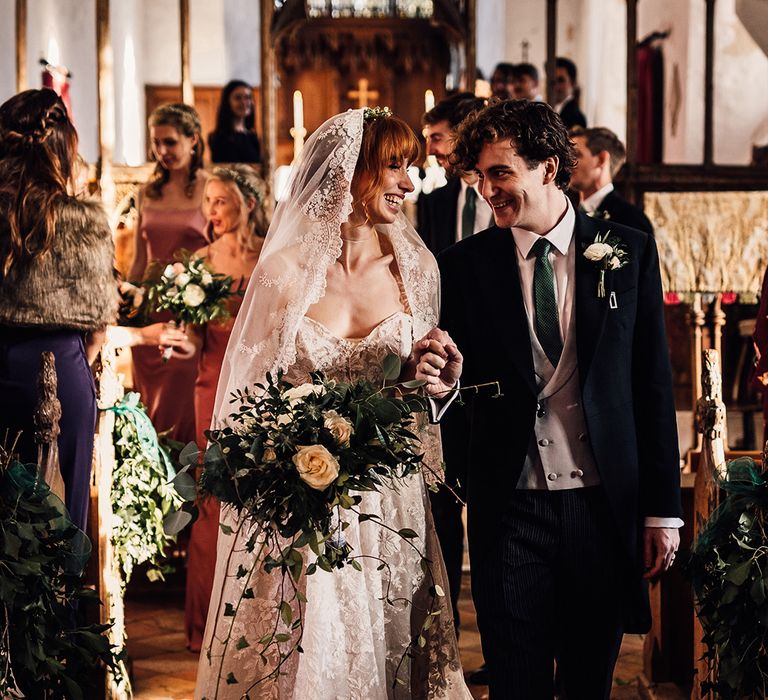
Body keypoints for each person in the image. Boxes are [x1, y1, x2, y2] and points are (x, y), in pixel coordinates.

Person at [195, 108, 469, 699]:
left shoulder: (416, 269)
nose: (407, 182)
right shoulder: (285, 272)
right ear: (349, 171)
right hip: (303, 498)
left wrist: (436, 380)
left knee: (391, 644)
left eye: (410, 167)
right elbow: (248, 397)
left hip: (388, 497)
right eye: (393, 166)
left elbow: (421, 391)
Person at [426, 99, 682, 699]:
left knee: (588, 683)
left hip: (600, 507)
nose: (487, 191)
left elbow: (652, 385)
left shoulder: (628, 252)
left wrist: (662, 510)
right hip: (508, 506)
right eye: (480, 177)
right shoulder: (464, 267)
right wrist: (442, 385)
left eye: (500, 173)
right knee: (516, 681)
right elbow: (450, 387)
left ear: (547, 167)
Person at [0, 88, 119, 532]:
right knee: (59, 515)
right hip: (60, 366)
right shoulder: (83, 219)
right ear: (63, 149)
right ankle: (60, 602)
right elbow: (98, 329)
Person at [184, 165, 268, 652]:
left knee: (258, 493)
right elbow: (192, 338)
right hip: (212, 385)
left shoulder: (270, 259)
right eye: (208, 201)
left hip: (260, 386)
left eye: (220, 200)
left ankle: (252, 621)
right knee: (213, 496)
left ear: (247, 203)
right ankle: (205, 626)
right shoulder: (199, 263)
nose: (211, 210)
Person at [417, 91, 486, 641]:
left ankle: (499, 631)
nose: (431, 151)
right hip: (442, 377)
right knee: (441, 514)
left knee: (491, 521)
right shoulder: (436, 206)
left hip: (499, 381)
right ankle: (446, 637)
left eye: (438, 137)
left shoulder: (510, 200)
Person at [129, 103, 209, 445]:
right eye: (156, 143)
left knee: (183, 399)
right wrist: (128, 302)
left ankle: (190, 482)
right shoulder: (146, 192)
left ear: (193, 140)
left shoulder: (210, 188)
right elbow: (139, 258)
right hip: (151, 313)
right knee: (148, 406)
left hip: (193, 311)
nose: (162, 151)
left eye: (171, 142)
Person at [570, 126, 654, 235]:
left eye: (576, 155)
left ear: (602, 159)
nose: (567, 162)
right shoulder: (567, 211)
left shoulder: (632, 220)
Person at [208, 80, 262, 164]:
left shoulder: (253, 137)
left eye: (247, 97)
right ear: (227, 102)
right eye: (238, 98)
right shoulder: (218, 138)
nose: (244, 102)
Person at [552, 56, 587, 128]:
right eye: (553, 81)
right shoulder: (554, 109)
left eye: (561, 80)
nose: (555, 85)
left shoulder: (576, 117)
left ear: (572, 83)